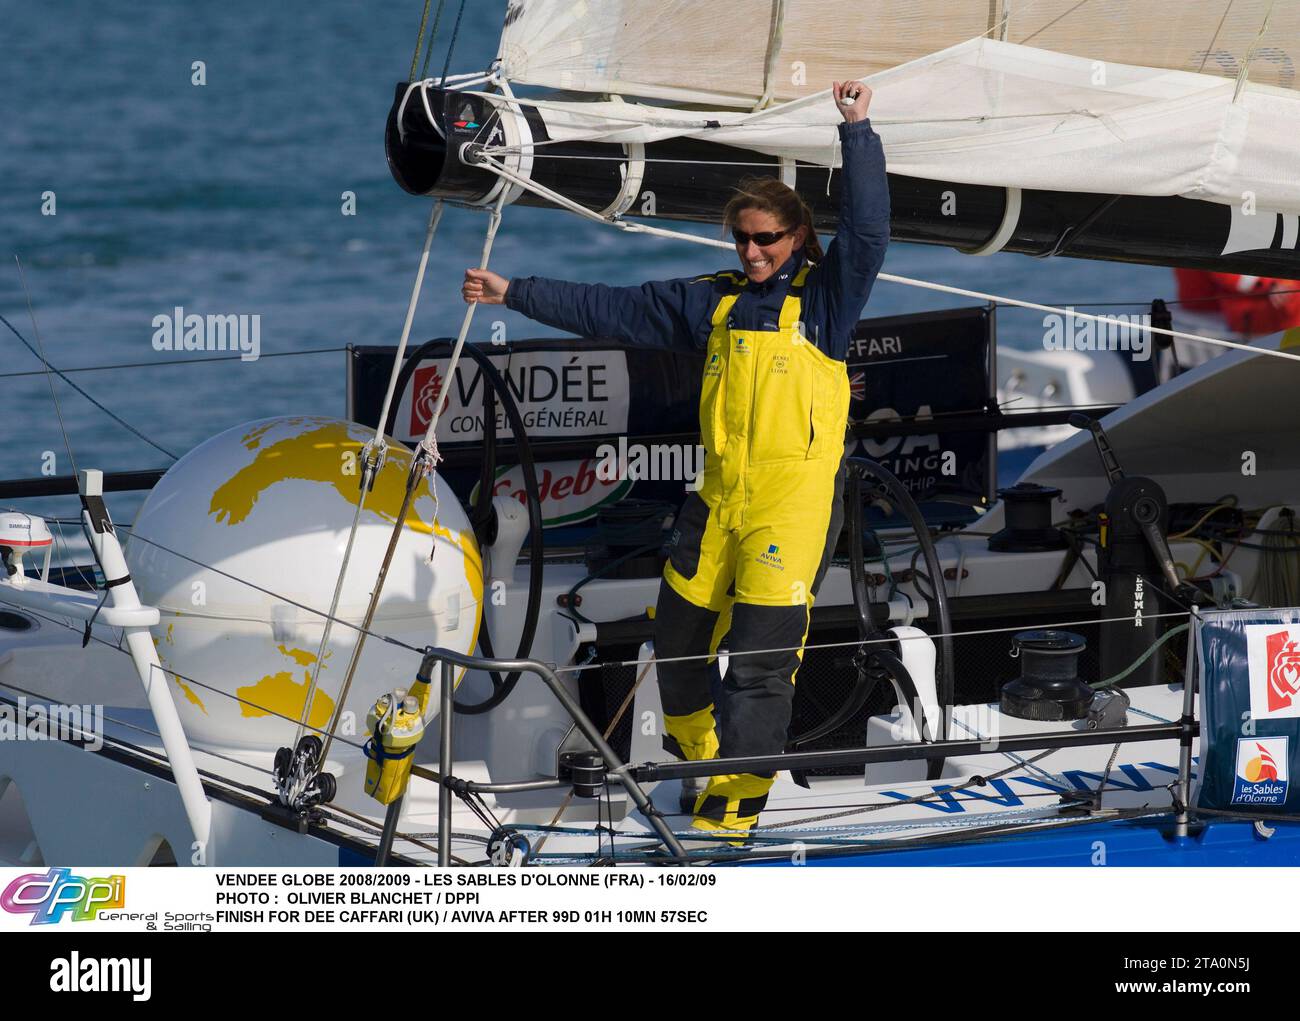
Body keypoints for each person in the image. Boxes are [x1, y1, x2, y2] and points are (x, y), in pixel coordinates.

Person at [463, 82, 890, 841]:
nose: (753, 253)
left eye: (766, 240)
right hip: (714, 505)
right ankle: (701, 758)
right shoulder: (714, 302)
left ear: (795, 238)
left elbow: (868, 232)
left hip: (786, 515)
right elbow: (614, 309)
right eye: (743, 241)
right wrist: (512, 291)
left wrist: (856, 130)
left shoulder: (826, 304)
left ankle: (737, 806)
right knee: (677, 645)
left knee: (760, 667)